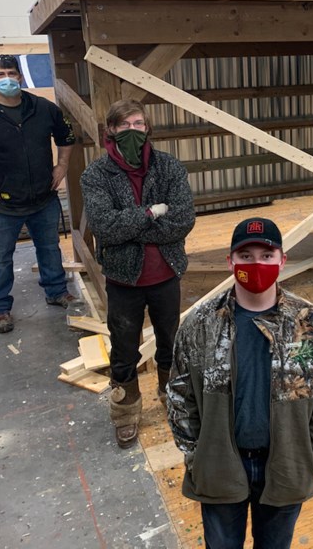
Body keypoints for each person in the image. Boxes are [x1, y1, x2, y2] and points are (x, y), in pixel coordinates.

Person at [167, 217, 313, 549]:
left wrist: (312, 453)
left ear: (282, 261)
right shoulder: (200, 324)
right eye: (245, 256)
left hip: (286, 466)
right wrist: (196, 455)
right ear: (230, 261)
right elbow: (179, 395)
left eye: (266, 255)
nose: (256, 264)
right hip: (219, 468)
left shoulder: (307, 323)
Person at [81, 99, 195, 448]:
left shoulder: (168, 167)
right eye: (124, 125)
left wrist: (132, 223)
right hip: (123, 280)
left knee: (171, 342)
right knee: (124, 350)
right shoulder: (96, 175)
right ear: (110, 131)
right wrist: (152, 213)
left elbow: (182, 220)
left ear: (148, 129)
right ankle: (126, 413)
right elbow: (105, 227)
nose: (133, 131)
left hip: (165, 274)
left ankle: (172, 397)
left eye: (139, 124)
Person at [0, 54, 76, 334]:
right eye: (0, 74)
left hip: (43, 198)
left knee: (49, 247)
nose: (7, 78)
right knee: (0, 256)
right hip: (1, 204)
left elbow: (66, 136)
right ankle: (0, 308)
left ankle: (56, 291)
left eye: (12, 73)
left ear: (19, 77)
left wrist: (62, 165)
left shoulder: (43, 108)